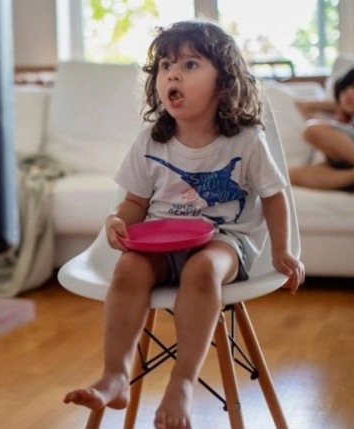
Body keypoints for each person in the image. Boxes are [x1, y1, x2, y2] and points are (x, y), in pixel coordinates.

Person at [62, 20, 305, 429]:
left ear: (223, 82)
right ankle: (116, 375)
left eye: (190, 64)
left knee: (203, 268)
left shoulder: (246, 140)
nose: (172, 74)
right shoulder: (151, 141)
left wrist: (282, 250)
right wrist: (118, 220)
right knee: (129, 268)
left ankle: (182, 382)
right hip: (160, 240)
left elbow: (273, 196)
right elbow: (136, 202)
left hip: (225, 240)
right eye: (165, 66)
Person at [290, 67, 354, 192]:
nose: (349, 93)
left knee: (312, 130)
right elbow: (304, 106)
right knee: (291, 175)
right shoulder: (345, 121)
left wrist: (338, 134)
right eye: (343, 91)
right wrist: (341, 108)